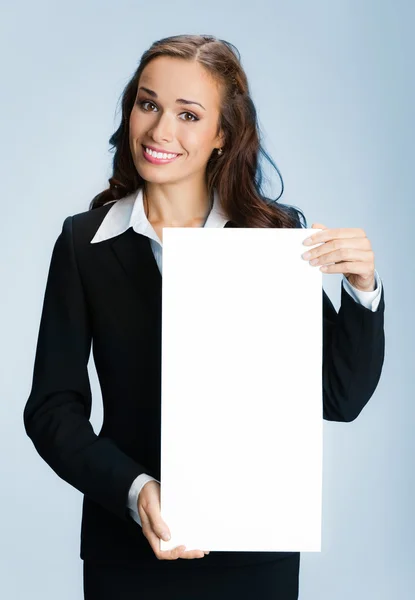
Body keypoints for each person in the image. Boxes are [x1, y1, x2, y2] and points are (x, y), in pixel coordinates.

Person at [23, 34, 385, 600]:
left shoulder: (271, 237)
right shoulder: (83, 243)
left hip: (254, 555)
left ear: (222, 135)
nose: (161, 131)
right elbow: (51, 409)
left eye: (188, 114)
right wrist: (135, 490)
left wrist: (362, 290)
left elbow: (339, 398)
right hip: (129, 552)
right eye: (149, 104)